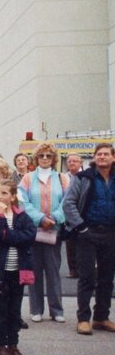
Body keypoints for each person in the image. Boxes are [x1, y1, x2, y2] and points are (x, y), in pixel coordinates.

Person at [0, 179, 36, 355]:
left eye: (4, 193)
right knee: (1, 311)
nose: (0, 197)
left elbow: (28, 236)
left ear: (13, 197)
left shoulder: (23, 217)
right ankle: (2, 345)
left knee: (14, 311)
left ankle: (13, 344)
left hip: (17, 272)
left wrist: (7, 236)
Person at [62, 142, 115, 336]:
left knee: (107, 277)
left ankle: (101, 317)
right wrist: (81, 226)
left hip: (110, 233)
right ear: (94, 158)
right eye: (98, 154)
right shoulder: (82, 178)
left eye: (106, 154)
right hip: (87, 233)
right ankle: (83, 319)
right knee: (87, 277)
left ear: (113, 157)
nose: (102, 157)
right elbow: (68, 204)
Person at [18, 142, 68, 323]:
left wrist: (54, 218)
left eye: (48, 156)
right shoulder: (28, 179)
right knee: (35, 270)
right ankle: (36, 309)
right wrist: (40, 219)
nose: (45, 159)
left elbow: (67, 202)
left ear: (54, 158)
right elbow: (23, 202)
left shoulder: (63, 178)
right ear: (36, 158)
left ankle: (56, 310)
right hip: (33, 230)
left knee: (53, 270)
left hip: (54, 230)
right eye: (41, 156)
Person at [63, 154, 84, 278]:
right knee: (70, 244)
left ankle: (84, 269)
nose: (72, 163)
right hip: (68, 215)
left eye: (75, 161)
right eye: (69, 161)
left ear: (81, 163)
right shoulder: (63, 177)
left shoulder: (86, 177)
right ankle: (73, 270)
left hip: (82, 214)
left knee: (83, 244)